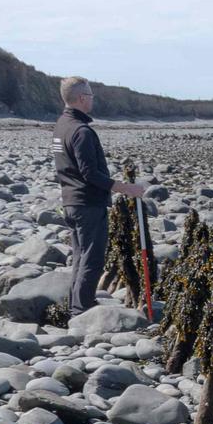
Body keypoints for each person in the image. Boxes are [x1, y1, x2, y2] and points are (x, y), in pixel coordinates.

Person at [52, 76, 145, 316]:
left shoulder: (61, 125)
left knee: (81, 256)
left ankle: (77, 305)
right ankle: (82, 308)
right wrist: (126, 188)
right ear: (82, 98)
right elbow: (89, 173)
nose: (93, 100)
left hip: (71, 201)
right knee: (92, 258)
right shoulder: (81, 131)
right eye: (91, 95)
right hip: (87, 203)